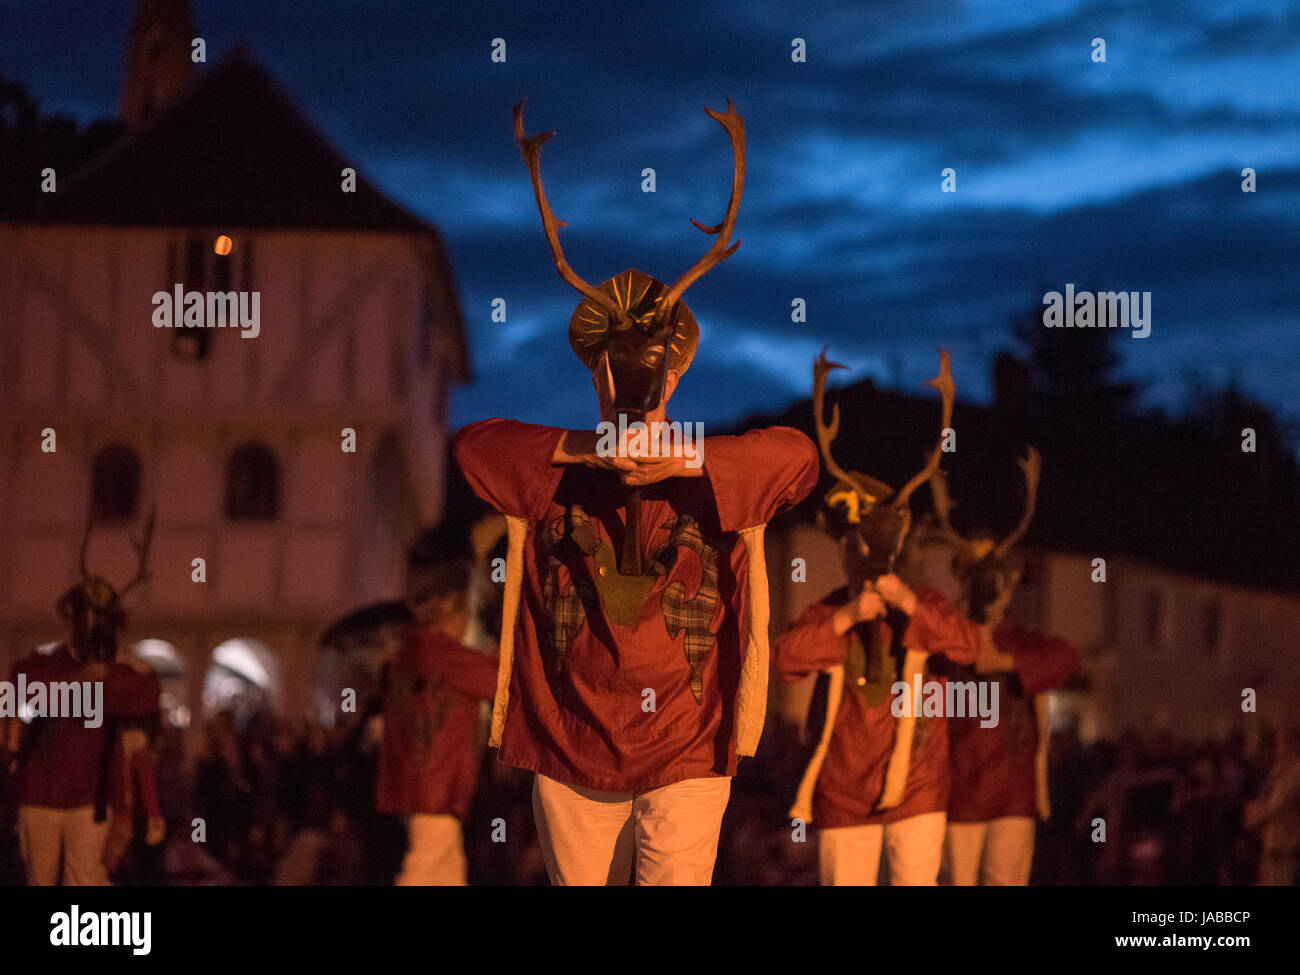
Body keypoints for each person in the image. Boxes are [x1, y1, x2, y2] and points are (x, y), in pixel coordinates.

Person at [452, 99, 819, 886]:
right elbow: (472, 447)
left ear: (678, 372)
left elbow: (797, 459)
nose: (634, 378)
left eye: (650, 362)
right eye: (617, 362)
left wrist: (681, 461)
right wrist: (589, 447)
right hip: (569, 740)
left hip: (688, 743)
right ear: (594, 372)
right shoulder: (554, 467)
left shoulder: (710, 469)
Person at [775, 348, 979, 886]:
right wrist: (847, 619)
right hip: (844, 793)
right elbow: (787, 660)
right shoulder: (831, 607)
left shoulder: (927, 604)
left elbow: (967, 648)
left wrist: (907, 605)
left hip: (918, 788)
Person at [928, 451, 1079, 885]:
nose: (996, 593)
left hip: (1012, 794)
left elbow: (1067, 660)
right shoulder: (949, 636)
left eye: (1001, 582)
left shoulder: (1020, 639)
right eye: (986, 582)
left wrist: (1007, 662)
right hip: (959, 792)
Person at [376, 561, 498, 885]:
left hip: (415, 782)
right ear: (452, 615)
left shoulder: (411, 650)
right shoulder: (444, 655)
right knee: (426, 872)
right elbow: (502, 682)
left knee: (447, 874)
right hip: (435, 785)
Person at [1244, 723, 1300, 885]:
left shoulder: (1296, 772)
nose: (1279, 747)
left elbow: (1280, 802)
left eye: (1283, 742)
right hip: (1271, 842)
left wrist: (1257, 815)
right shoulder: (1278, 770)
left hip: (1288, 844)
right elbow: (1265, 796)